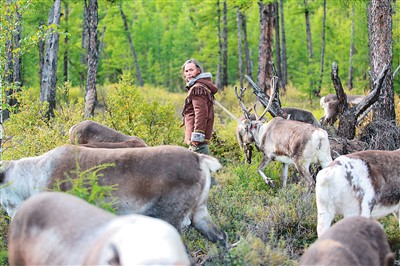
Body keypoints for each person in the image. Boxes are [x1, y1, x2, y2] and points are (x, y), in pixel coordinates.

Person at [181, 59, 218, 155]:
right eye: (186, 71)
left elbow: (201, 113)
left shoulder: (198, 88)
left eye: (191, 70)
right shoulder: (199, 86)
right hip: (196, 138)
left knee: (198, 168)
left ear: (198, 71)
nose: (188, 73)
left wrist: (197, 135)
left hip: (197, 139)